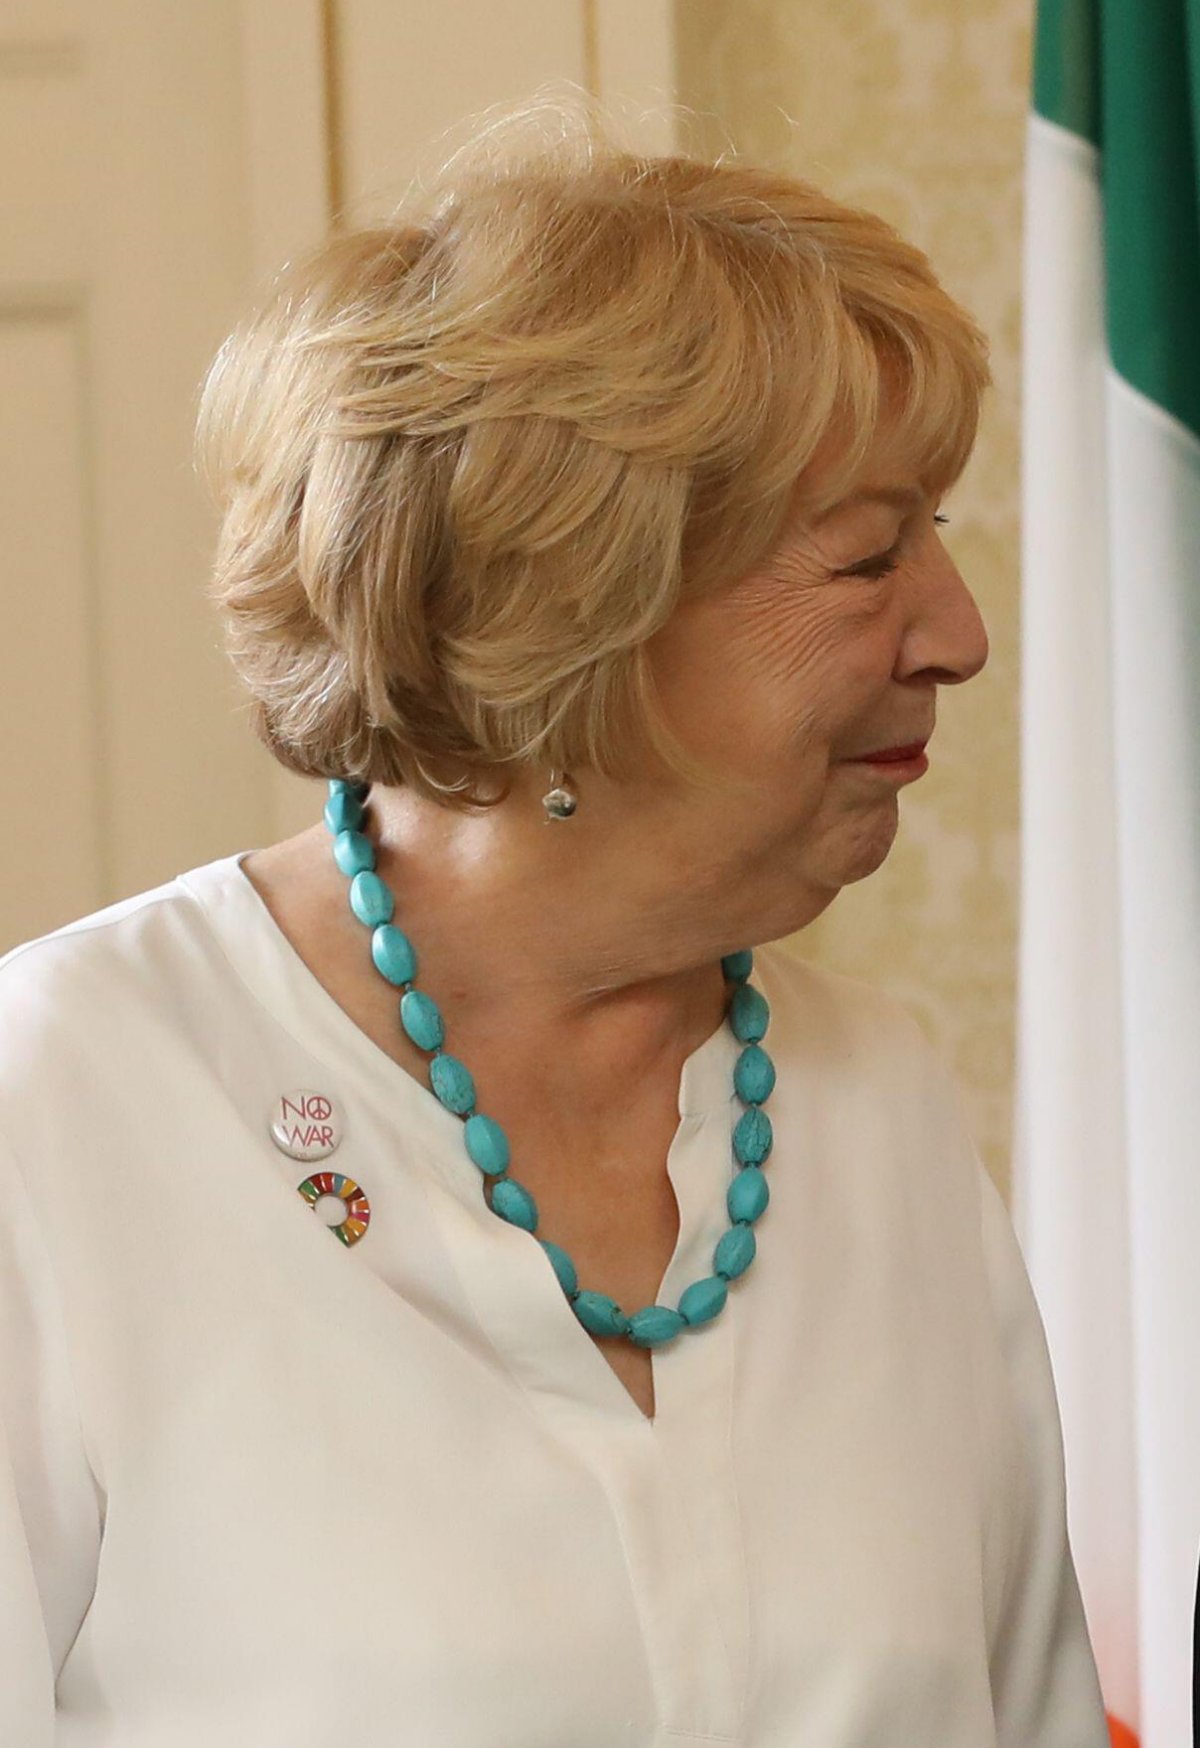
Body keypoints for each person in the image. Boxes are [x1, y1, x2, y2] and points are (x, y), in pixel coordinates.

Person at [0, 95, 1109, 1746]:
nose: (955, 633)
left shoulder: (878, 1107)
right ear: (575, 604)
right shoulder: (63, 1101)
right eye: (870, 557)